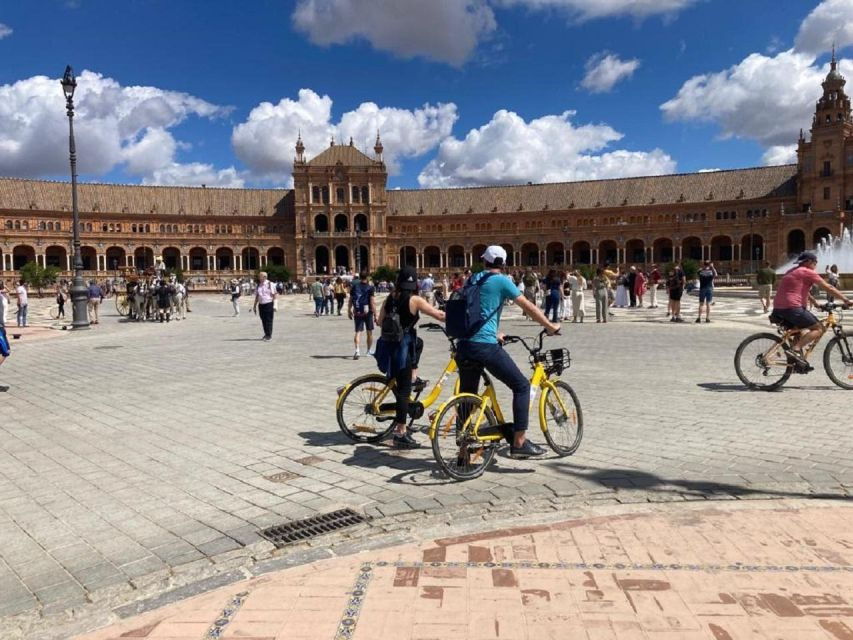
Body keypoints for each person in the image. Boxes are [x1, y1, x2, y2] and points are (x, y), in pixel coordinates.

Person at [456, 246, 560, 459]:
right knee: (521, 386)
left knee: (467, 396)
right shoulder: (502, 280)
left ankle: (462, 452)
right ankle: (519, 442)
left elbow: (476, 308)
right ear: (502, 263)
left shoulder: (473, 279)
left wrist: (494, 332)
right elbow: (527, 306)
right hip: (484, 345)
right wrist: (549, 325)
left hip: (464, 343)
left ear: (484, 261)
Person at [375, 266, 446, 449]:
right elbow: (438, 315)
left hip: (387, 346)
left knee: (419, 343)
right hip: (402, 348)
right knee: (404, 391)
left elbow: (379, 322)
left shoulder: (390, 297)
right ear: (415, 283)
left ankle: (413, 376)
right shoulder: (415, 299)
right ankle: (400, 431)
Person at [771, 252, 851, 366]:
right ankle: (795, 350)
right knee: (819, 328)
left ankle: (796, 362)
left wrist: (815, 303)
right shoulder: (807, 272)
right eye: (815, 262)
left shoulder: (792, 271)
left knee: (800, 331)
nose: (816, 265)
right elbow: (828, 287)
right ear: (808, 262)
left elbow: (802, 290)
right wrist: (846, 300)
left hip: (779, 308)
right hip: (792, 308)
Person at [349, 271, 376, 360]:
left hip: (358, 311)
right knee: (369, 332)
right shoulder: (370, 287)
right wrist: (375, 314)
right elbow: (372, 301)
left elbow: (351, 299)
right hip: (368, 311)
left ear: (360, 277)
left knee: (358, 332)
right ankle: (368, 351)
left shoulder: (354, 287)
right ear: (367, 277)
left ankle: (357, 350)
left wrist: (349, 310)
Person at [252, 271, 277, 340]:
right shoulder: (258, 285)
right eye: (259, 276)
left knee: (268, 320)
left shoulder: (270, 284)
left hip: (268, 304)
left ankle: (269, 335)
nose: (259, 277)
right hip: (261, 305)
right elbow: (257, 296)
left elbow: (274, 295)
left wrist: (275, 305)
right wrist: (254, 306)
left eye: (260, 276)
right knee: (263, 319)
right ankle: (266, 333)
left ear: (265, 277)